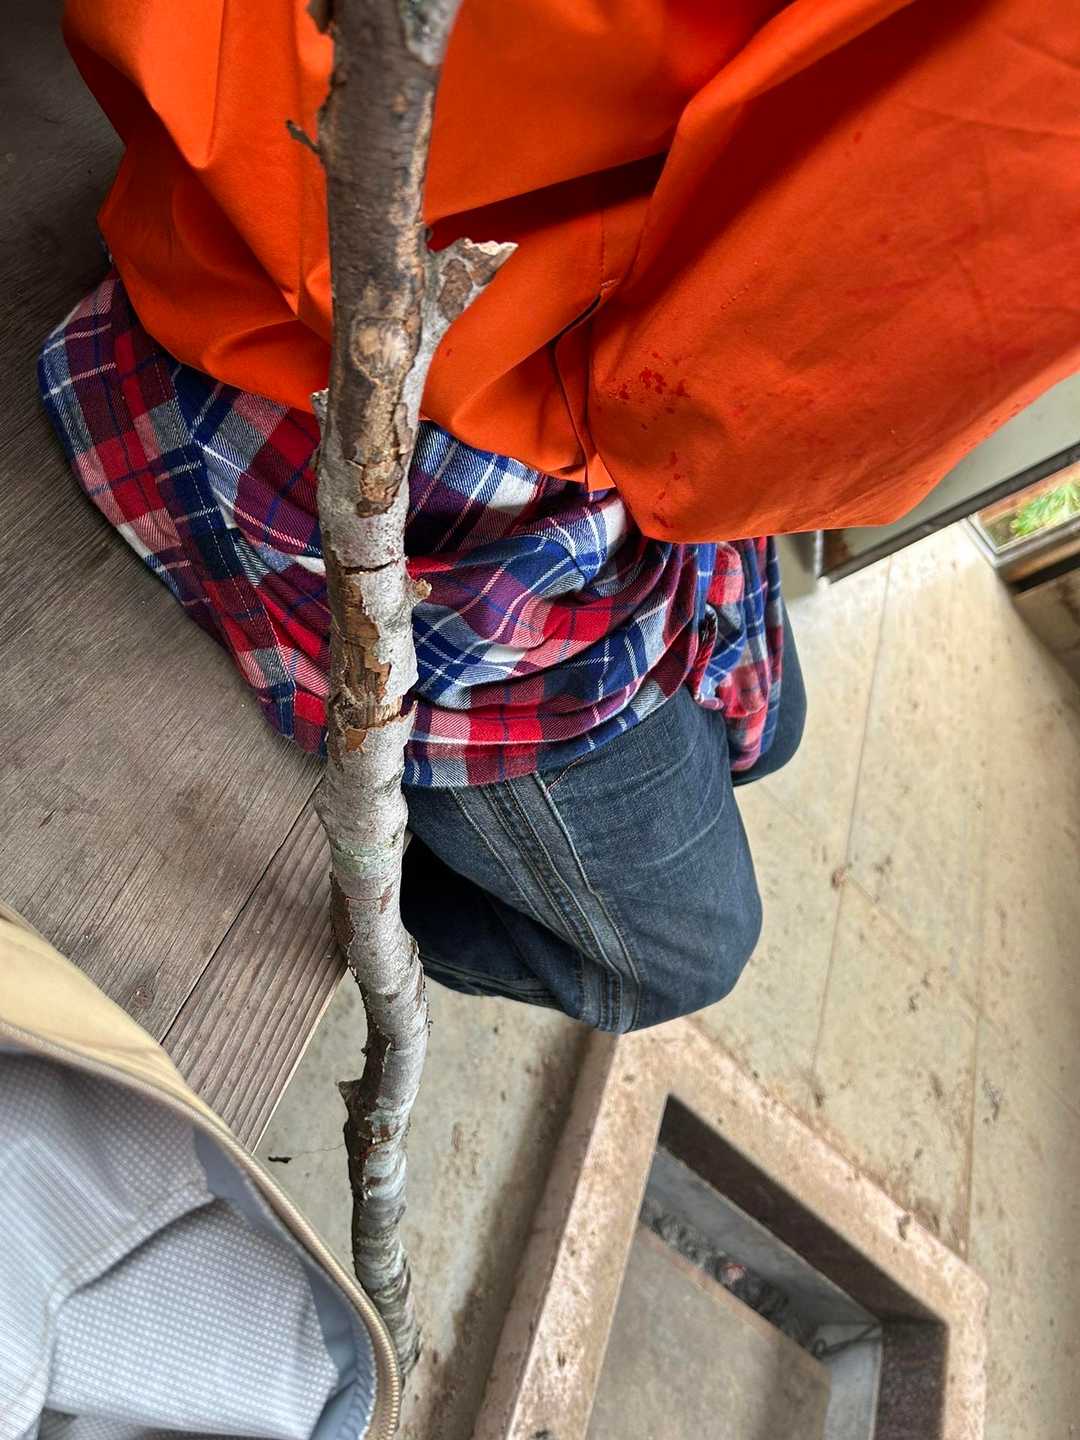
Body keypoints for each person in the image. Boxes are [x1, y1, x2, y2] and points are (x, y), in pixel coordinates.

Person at [44, 0, 1079, 1030]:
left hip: (455, 306)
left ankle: (488, 838)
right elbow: (723, 430)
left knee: (772, 733)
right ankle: (377, 894)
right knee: (689, 958)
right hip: (387, 414)